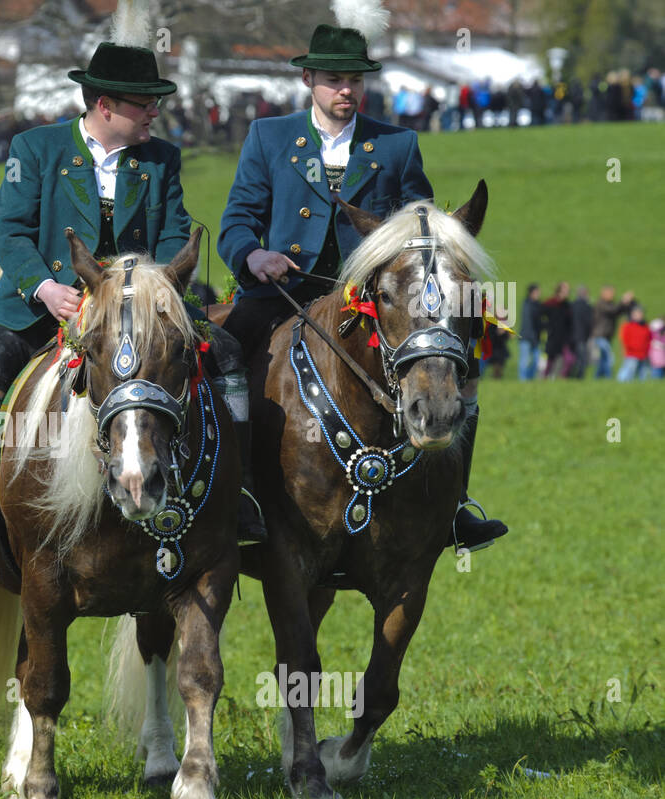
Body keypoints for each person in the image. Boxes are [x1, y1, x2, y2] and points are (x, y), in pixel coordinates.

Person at [0, 41, 260, 562]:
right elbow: (11, 230)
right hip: (50, 303)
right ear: (105, 106)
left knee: (226, 355)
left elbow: (177, 236)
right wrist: (44, 287)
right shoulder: (35, 148)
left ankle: (241, 491)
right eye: (144, 102)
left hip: (138, 310)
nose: (155, 111)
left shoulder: (161, 158)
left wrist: (154, 291)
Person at [217, 16, 506, 551]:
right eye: (333, 79)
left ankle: (454, 503)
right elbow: (236, 220)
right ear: (309, 81)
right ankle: (236, 496)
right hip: (280, 294)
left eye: (354, 79)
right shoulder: (269, 136)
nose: (344, 89)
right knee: (225, 353)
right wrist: (252, 253)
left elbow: (421, 227)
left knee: (462, 365)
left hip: (366, 303)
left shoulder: (397, 145)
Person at [518, 283, 544, 380]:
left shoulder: (538, 305)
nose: (539, 294)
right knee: (524, 361)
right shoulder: (527, 305)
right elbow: (527, 323)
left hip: (536, 338)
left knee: (537, 360)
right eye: (537, 292)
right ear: (531, 293)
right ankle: (522, 380)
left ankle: (529, 378)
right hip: (526, 337)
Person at [618, 306, 651, 380]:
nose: (639, 315)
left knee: (643, 374)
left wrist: (647, 350)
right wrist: (629, 349)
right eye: (637, 313)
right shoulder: (628, 325)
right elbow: (624, 339)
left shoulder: (645, 326)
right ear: (632, 314)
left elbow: (649, 339)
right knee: (628, 372)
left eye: (640, 313)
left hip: (643, 354)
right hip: (632, 354)